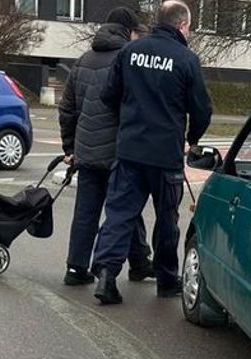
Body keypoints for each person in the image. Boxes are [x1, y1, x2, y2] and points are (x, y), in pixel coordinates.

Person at [88, 0, 212, 305]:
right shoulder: (186, 59)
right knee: (167, 218)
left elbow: (108, 95)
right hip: (165, 154)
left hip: (130, 150)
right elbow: (202, 109)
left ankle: (106, 274)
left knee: (119, 215)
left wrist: (129, 118)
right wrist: (191, 138)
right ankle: (167, 279)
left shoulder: (130, 51)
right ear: (183, 25)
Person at [57, 6, 153, 287]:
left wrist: (70, 147)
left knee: (85, 212)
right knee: (125, 209)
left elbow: (67, 109)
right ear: (128, 31)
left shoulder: (83, 61)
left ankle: (76, 268)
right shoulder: (129, 60)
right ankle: (136, 264)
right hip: (119, 151)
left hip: (86, 151)